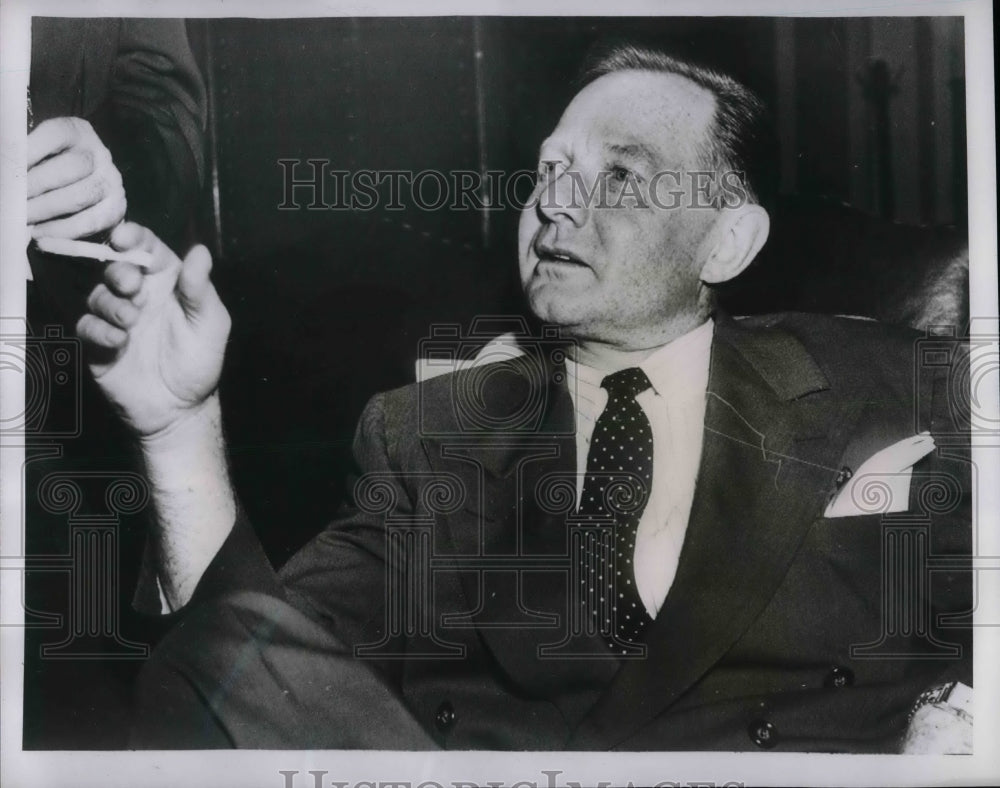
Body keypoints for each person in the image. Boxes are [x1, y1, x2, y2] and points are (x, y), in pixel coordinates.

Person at [73, 45, 971, 751]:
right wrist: (177, 424)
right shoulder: (429, 435)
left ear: (726, 242)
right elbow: (250, 672)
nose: (554, 205)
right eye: (548, 173)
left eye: (619, 176)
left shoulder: (897, 381)